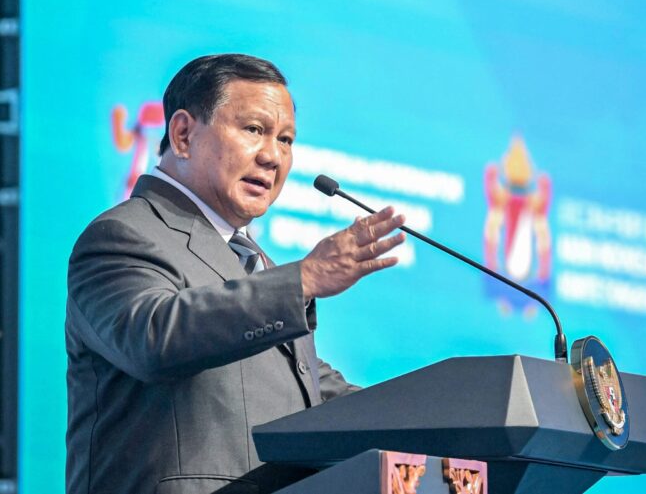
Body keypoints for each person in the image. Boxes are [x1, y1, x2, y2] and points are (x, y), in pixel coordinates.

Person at [65, 54, 406, 494]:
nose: (272, 156)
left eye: (285, 140)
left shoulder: (254, 263)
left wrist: (439, 420)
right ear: (183, 134)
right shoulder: (123, 234)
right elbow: (153, 338)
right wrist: (302, 280)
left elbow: (313, 394)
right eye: (254, 130)